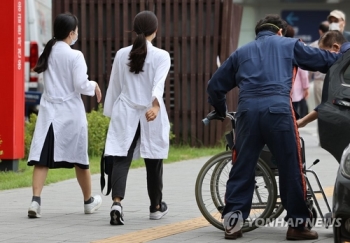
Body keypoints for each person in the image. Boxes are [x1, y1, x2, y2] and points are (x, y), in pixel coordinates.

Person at [207, 14, 340, 240]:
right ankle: (297, 226)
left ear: (259, 32)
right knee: (291, 167)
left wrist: (220, 110)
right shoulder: (289, 44)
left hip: (247, 113)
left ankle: (233, 224)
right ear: (280, 31)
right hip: (279, 112)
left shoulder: (241, 52)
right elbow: (325, 60)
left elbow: (214, 86)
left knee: (242, 167)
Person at [27, 13, 103, 218]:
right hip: (70, 114)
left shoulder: (48, 51)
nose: (77, 34)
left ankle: (35, 201)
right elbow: (80, 84)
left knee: (42, 160)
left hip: (50, 114)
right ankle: (88, 201)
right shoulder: (75, 55)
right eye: (76, 31)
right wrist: (93, 85)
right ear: (71, 33)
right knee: (80, 159)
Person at [103, 10, 171, 226]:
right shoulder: (161, 56)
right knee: (154, 161)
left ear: (134, 30)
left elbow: (114, 86)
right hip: (149, 113)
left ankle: (116, 203)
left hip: (126, 110)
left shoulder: (122, 54)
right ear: (156, 31)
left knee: (121, 158)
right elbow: (159, 85)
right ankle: (156, 207)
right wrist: (155, 106)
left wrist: (111, 114)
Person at [297, 30, 350, 128]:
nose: (323, 59)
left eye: (325, 54)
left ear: (335, 47)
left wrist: (303, 121)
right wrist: (303, 121)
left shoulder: (344, 60)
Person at [285, 25, 310, 118]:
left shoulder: (277, 47)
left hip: (282, 89)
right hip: (295, 88)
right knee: (294, 112)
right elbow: (303, 71)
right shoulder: (297, 47)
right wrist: (306, 87)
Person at [309, 21, 329, 106]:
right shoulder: (336, 44)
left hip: (319, 81)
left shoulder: (313, 45)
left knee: (319, 107)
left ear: (320, 31)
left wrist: (308, 80)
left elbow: (310, 66)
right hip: (331, 81)